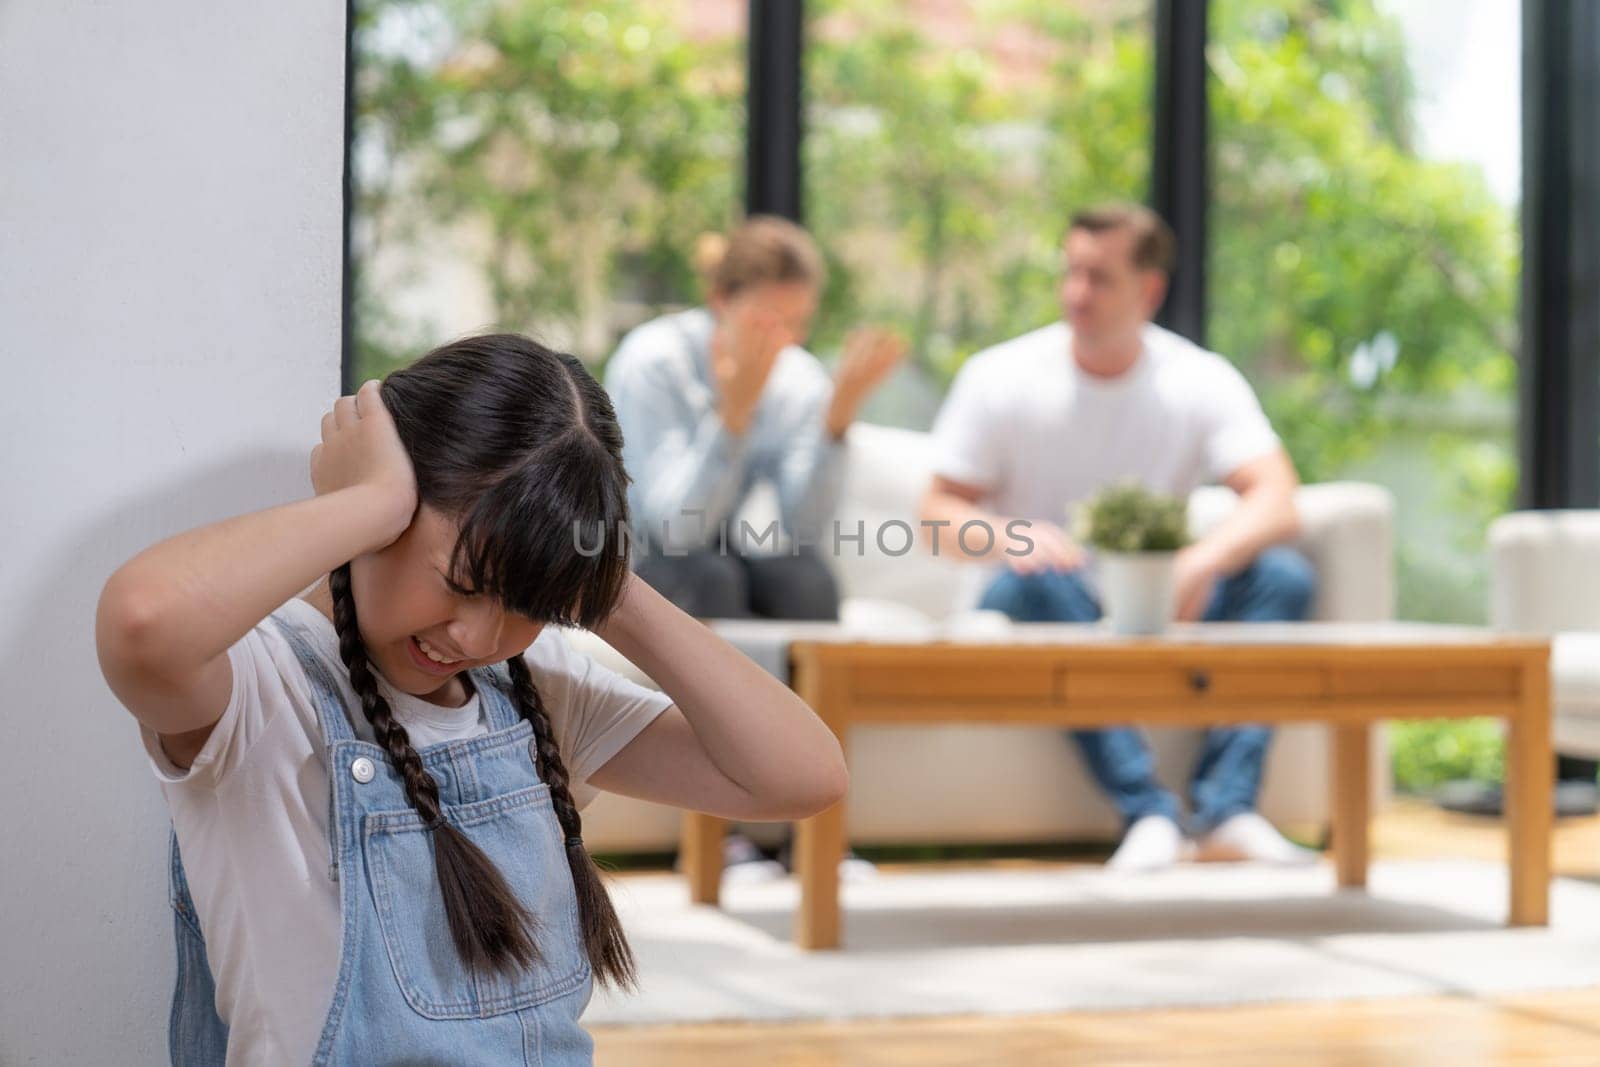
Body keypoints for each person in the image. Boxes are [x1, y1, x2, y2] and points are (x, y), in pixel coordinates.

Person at [95, 335, 848, 1066]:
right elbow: (142, 622)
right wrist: (369, 500)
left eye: (525, 604)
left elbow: (800, 777)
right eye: (460, 582)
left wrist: (592, 573)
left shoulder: (533, 685)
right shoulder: (262, 689)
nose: (479, 635)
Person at [919, 203, 1318, 872]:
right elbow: (936, 513)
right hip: (1037, 599)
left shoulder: (1199, 379)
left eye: (1099, 278)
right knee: (1038, 578)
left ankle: (1226, 810)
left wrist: (1199, 561)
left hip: (1153, 609)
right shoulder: (1001, 376)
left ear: (1149, 290)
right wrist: (1008, 536)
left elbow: (1279, 497)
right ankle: (1149, 811)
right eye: (1071, 272)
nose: (1078, 293)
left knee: (1281, 575)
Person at [605, 215, 903, 881]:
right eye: (768, 321)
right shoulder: (653, 362)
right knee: (710, 576)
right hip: (645, 557)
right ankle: (725, 837)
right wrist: (731, 415)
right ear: (720, 301)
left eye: (796, 324)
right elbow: (672, 526)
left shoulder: (796, 377)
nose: (785, 341)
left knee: (808, 582)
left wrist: (834, 425)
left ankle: (811, 835)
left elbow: (800, 526)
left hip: (722, 550)